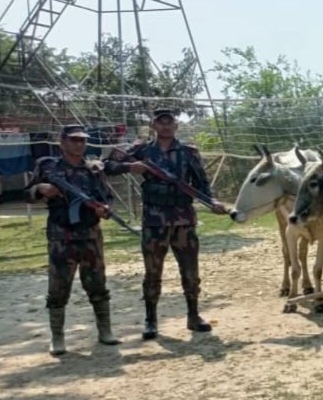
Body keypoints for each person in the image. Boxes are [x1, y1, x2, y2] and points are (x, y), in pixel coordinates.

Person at [103, 107, 227, 340]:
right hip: (154, 221)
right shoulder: (140, 150)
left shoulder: (189, 152)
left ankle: (193, 315)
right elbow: (107, 166)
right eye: (161, 123)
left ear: (176, 126)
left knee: (190, 271)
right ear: (154, 126)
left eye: (170, 123)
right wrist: (130, 167)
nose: (166, 126)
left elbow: (201, 184)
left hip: (183, 221)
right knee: (152, 273)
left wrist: (213, 202)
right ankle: (151, 320)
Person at [25, 124, 121, 355]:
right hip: (61, 236)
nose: (79, 144)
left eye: (82, 140)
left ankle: (105, 331)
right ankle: (57, 338)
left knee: (97, 284)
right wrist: (41, 188)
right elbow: (27, 193)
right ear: (63, 142)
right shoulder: (48, 165)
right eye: (74, 140)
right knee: (58, 288)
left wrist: (104, 209)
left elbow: (106, 197)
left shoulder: (94, 169)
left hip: (90, 235)